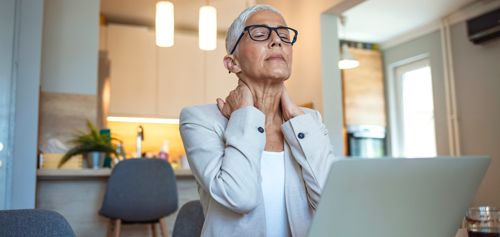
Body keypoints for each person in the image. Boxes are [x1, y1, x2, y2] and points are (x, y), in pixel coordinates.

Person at [179, 4, 336, 237]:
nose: (277, 41)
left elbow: (331, 201)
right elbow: (240, 197)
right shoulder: (199, 120)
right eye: (260, 34)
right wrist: (244, 114)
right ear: (233, 63)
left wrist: (294, 115)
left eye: (284, 36)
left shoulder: (309, 120)